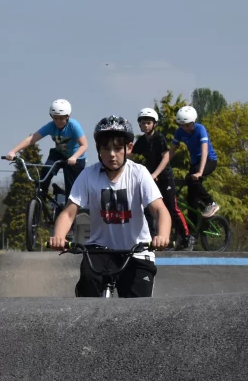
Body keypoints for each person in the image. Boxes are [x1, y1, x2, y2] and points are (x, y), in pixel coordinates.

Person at [48, 116, 171, 297]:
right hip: (99, 250)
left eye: (117, 148)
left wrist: (162, 236)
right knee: (87, 295)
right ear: (98, 150)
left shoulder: (139, 174)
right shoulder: (88, 175)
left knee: (139, 313)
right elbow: (68, 213)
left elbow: (160, 210)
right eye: (106, 148)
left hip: (137, 250)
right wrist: (59, 236)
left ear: (128, 148)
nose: (112, 154)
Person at [2, 98, 88, 201]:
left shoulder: (74, 126)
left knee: (72, 194)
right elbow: (32, 138)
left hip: (76, 158)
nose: (58, 121)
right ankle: (41, 197)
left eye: (61, 118)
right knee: (46, 170)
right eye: (55, 118)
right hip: (59, 153)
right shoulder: (51, 126)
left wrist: (74, 157)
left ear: (67, 116)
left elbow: (84, 145)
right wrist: (13, 151)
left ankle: (67, 207)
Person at [132, 107, 190, 244]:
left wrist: (155, 174)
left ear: (154, 124)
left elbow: (166, 157)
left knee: (172, 208)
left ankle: (187, 237)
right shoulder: (142, 141)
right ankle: (152, 238)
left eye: (148, 123)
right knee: (147, 208)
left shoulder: (159, 138)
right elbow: (130, 155)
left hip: (165, 178)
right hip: (152, 179)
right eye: (143, 123)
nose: (146, 125)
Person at [172, 106, 220, 218]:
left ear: (194, 121)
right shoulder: (179, 132)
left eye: (188, 125)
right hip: (195, 163)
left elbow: (204, 150)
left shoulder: (200, 129)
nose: (185, 128)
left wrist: (200, 172)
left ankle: (210, 203)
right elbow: (171, 152)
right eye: (182, 125)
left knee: (194, 181)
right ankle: (193, 230)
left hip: (208, 160)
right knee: (191, 197)